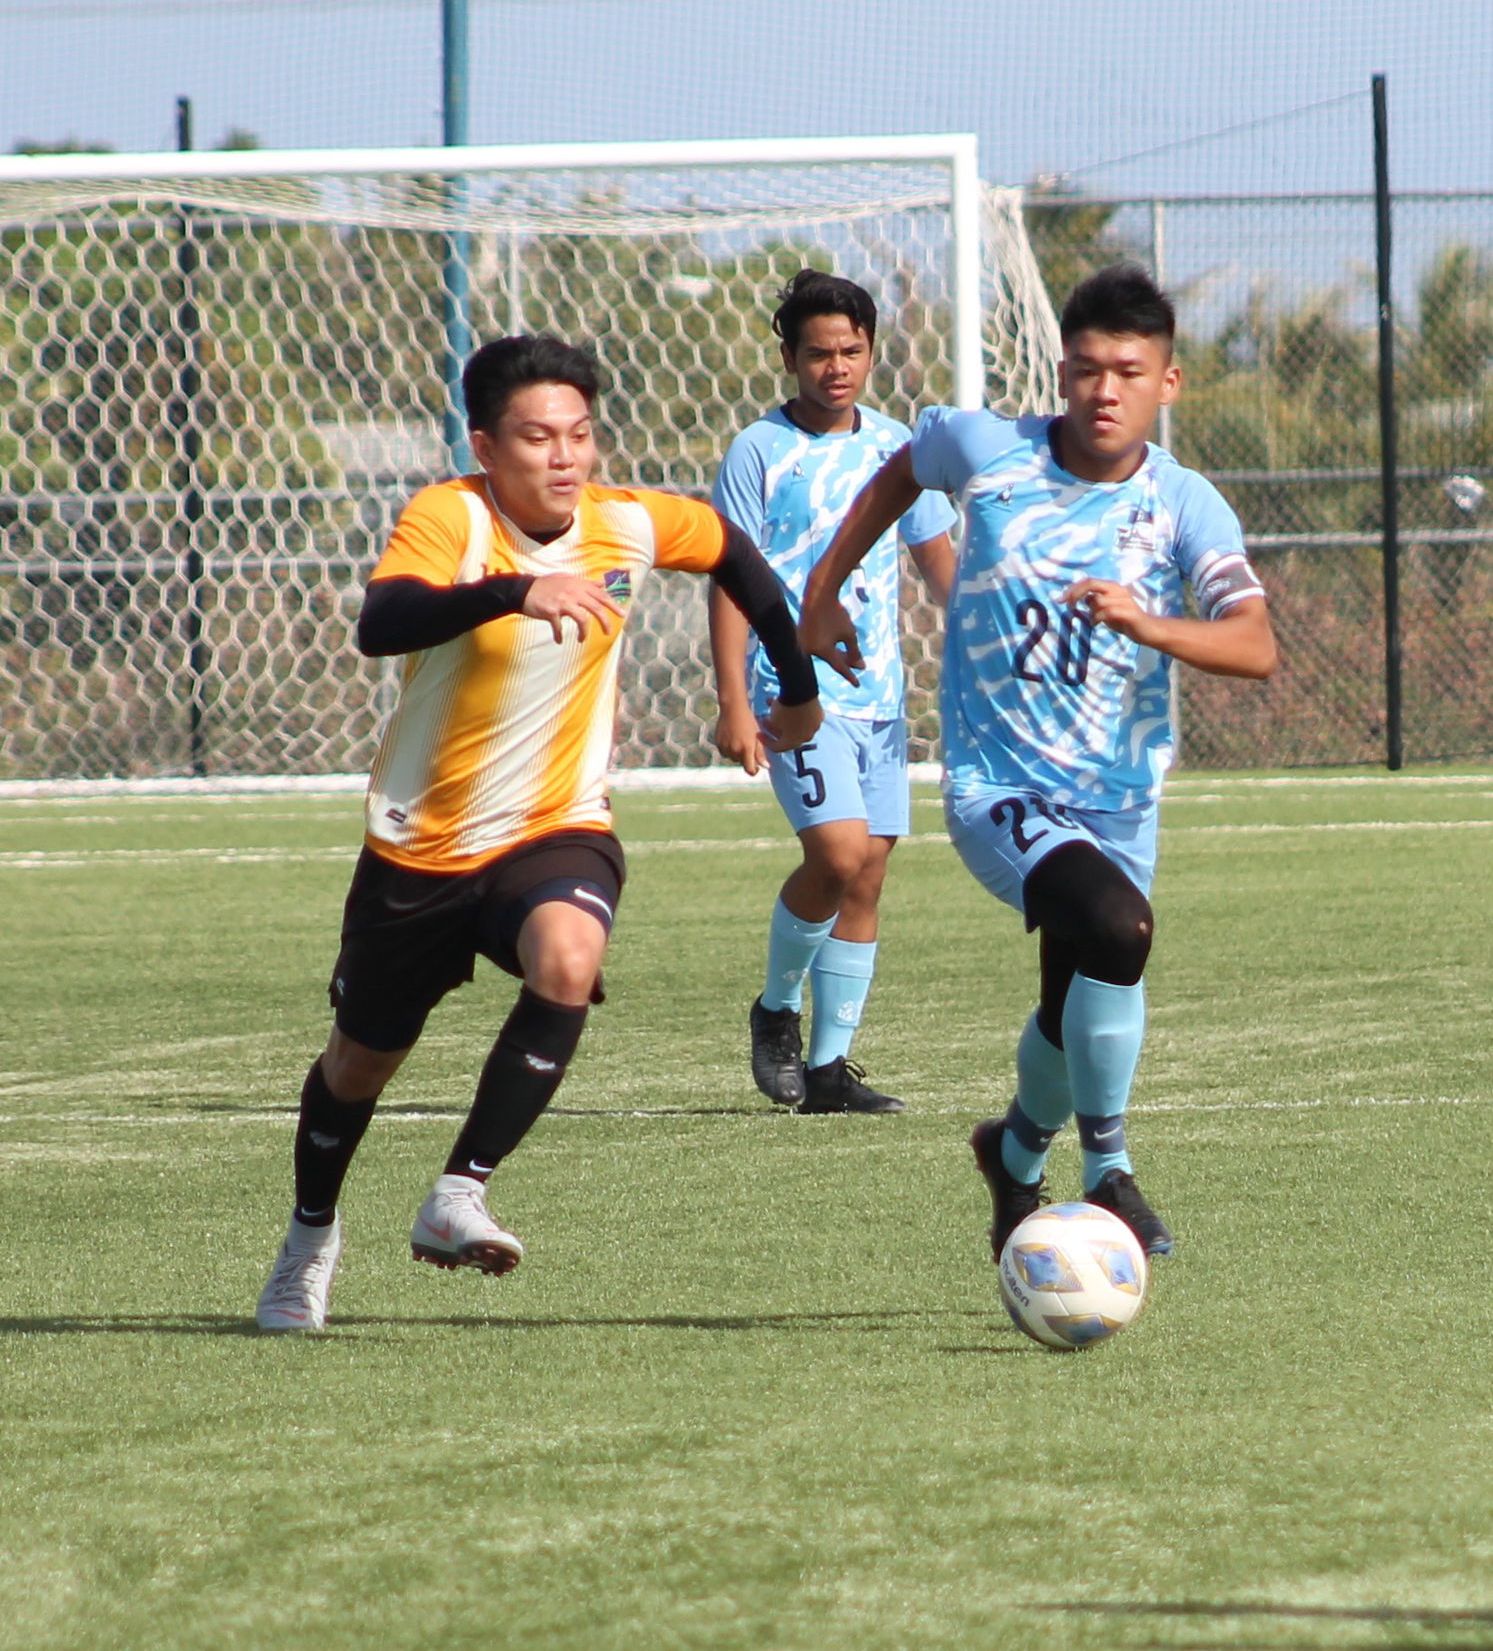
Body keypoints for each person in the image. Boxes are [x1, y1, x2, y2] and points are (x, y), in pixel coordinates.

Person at [256, 333, 821, 1332]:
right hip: (420, 848)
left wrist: (799, 688)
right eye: (536, 437)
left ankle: (459, 1191)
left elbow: (737, 557)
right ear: (485, 444)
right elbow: (382, 620)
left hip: (557, 826)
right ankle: (309, 1238)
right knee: (358, 1065)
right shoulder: (452, 516)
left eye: (580, 434)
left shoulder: (628, 525)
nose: (564, 457)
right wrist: (516, 591)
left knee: (568, 959)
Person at [799, 263, 1277, 1256]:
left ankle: (1013, 1157)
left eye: (1130, 371)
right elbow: (899, 473)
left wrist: (1150, 624)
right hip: (998, 786)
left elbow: (1253, 645)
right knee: (1119, 928)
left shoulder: (1184, 506)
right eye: (1089, 368)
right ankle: (1110, 1172)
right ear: (1061, 371)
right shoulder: (987, 448)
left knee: (1079, 991)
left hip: (1118, 799)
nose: (1106, 390)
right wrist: (825, 588)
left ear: (1167, 384)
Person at [709, 269, 956, 1114]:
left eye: (852, 350)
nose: (836, 367)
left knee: (871, 870)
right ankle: (776, 1012)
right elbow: (727, 575)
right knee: (838, 853)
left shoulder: (897, 446)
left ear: (873, 351)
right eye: (818, 353)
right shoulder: (759, 450)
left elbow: (937, 560)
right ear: (788, 357)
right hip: (793, 691)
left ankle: (827, 1070)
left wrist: (985, 639)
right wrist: (734, 702)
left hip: (880, 695)